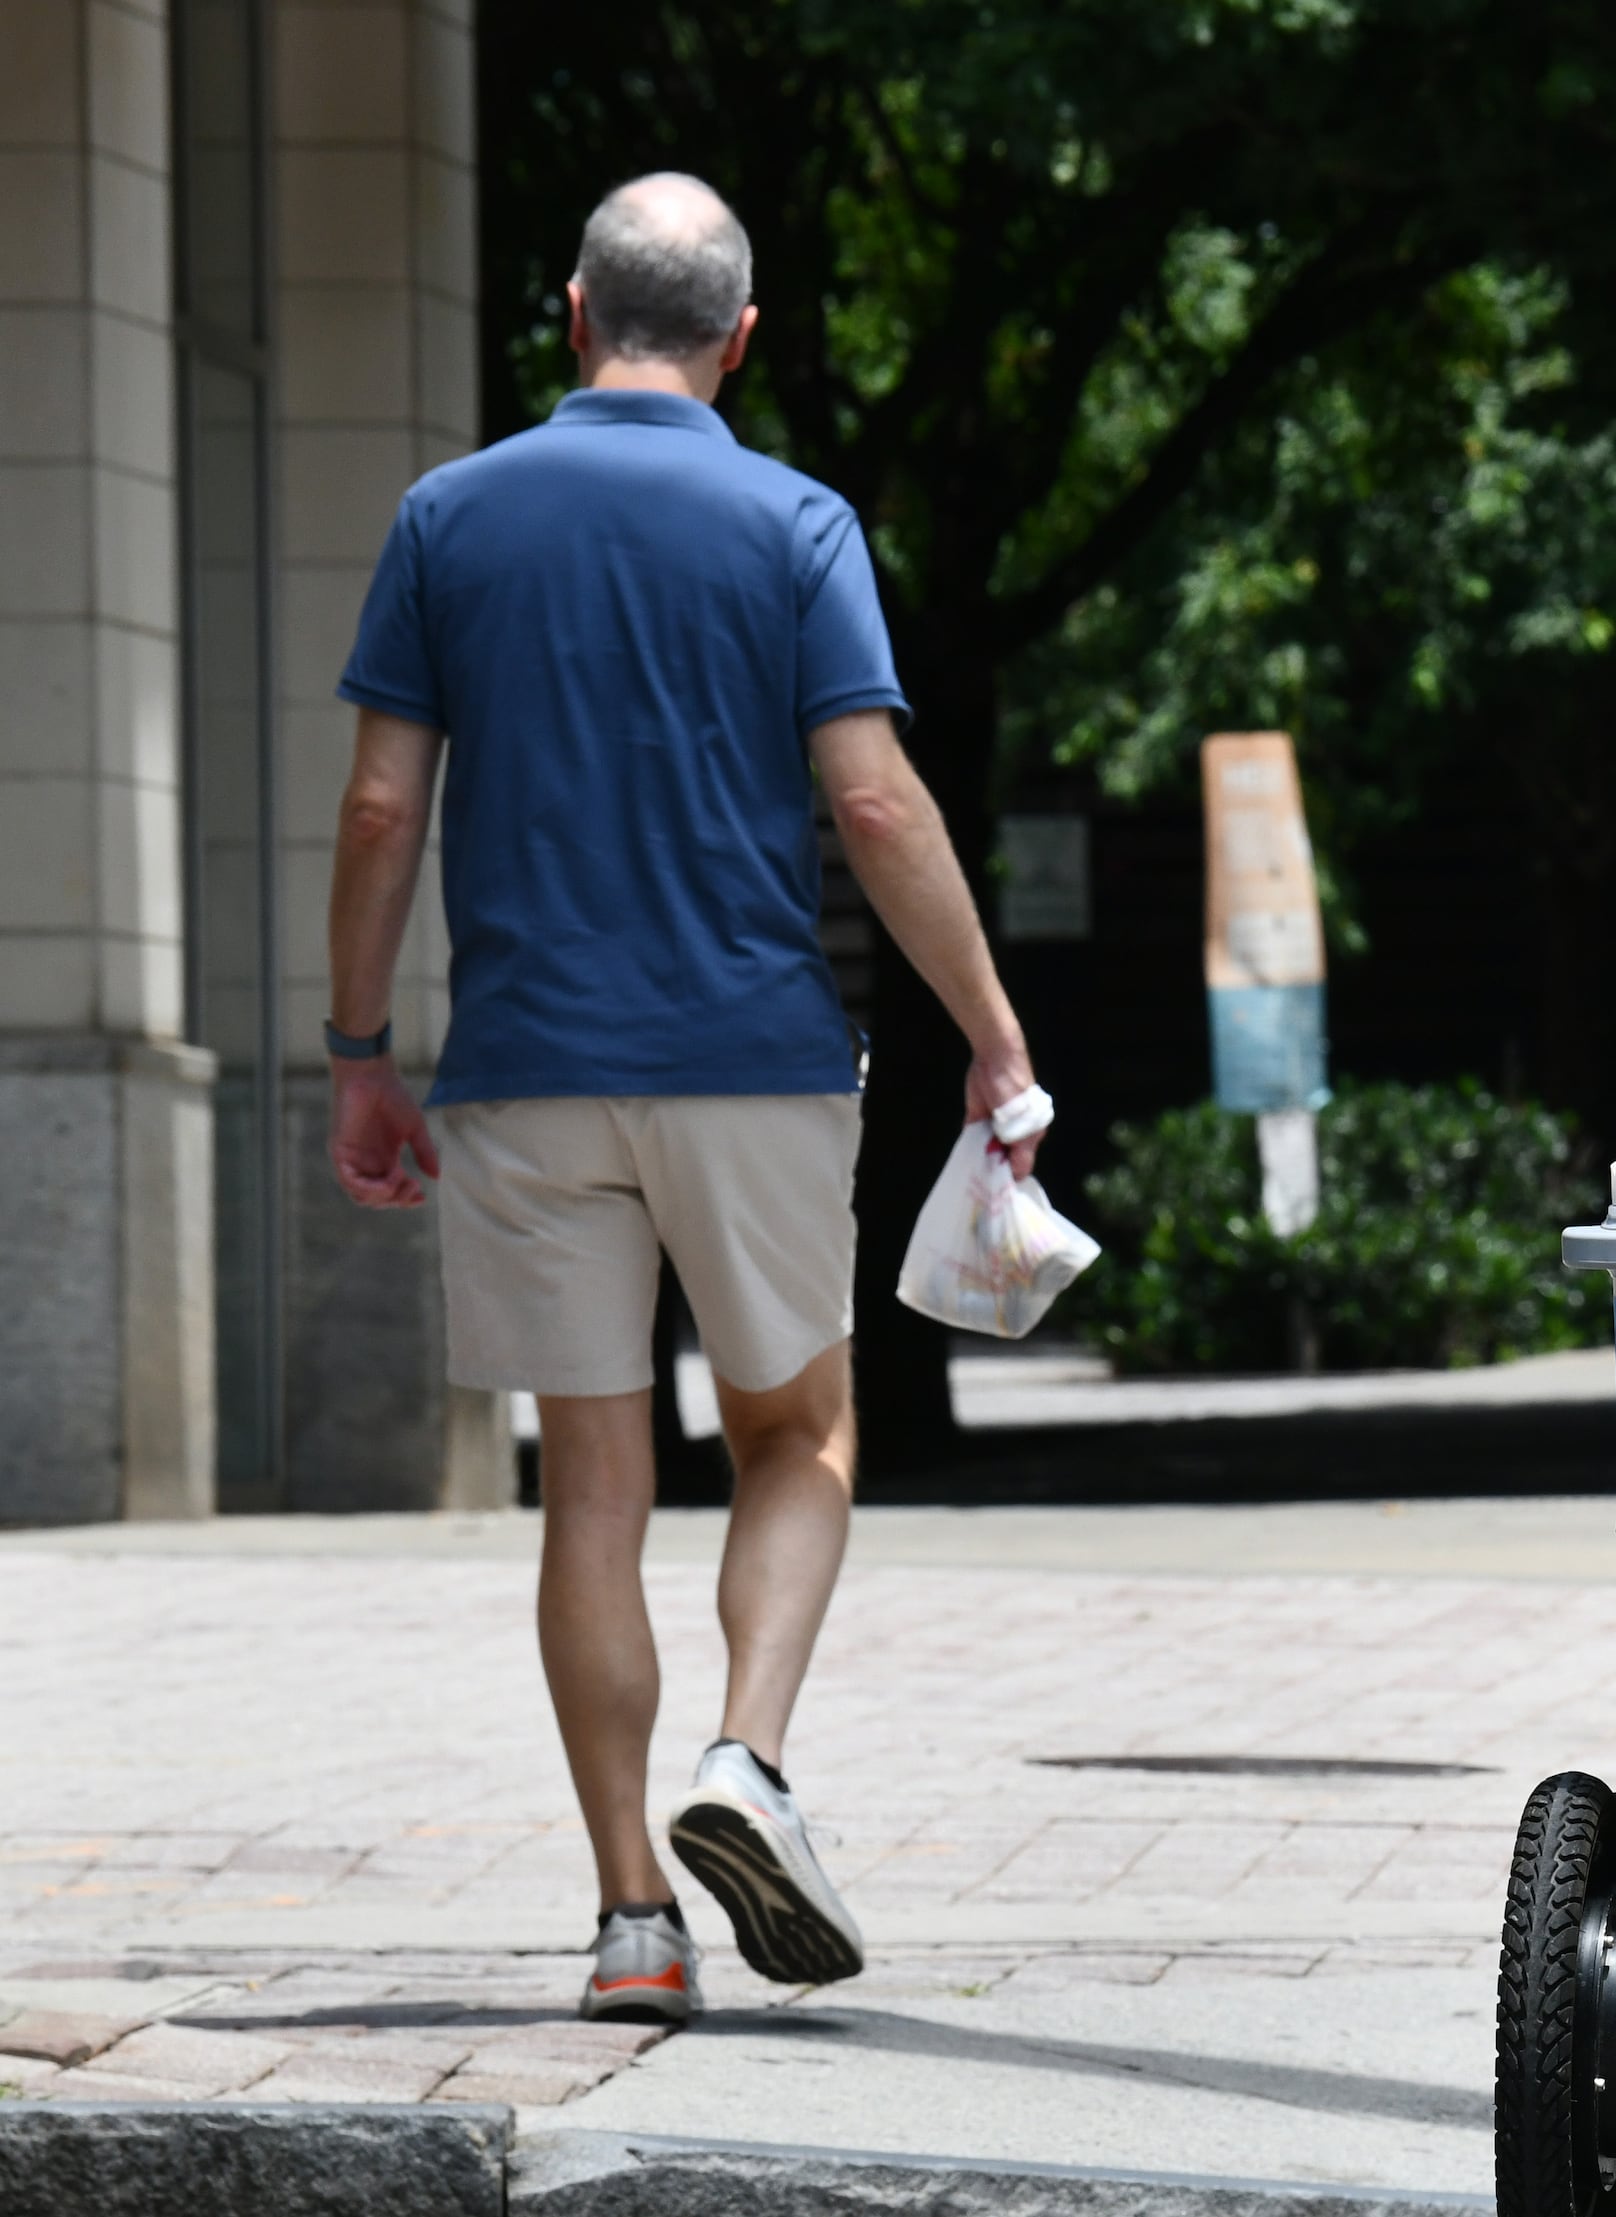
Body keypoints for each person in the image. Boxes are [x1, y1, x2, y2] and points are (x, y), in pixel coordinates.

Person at [322, 173, 1039, 2024]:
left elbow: (385, 805)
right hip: (749, 1057)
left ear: (572, 313)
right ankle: (752, 1759)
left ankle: (632, 1912)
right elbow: (874, 802)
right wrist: (991, 1027)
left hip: (524, 1073)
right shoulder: (796, 521)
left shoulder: (447, 517)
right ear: (740, 335)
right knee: (797, 1429)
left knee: (594, 1484)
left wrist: (354, 1053)